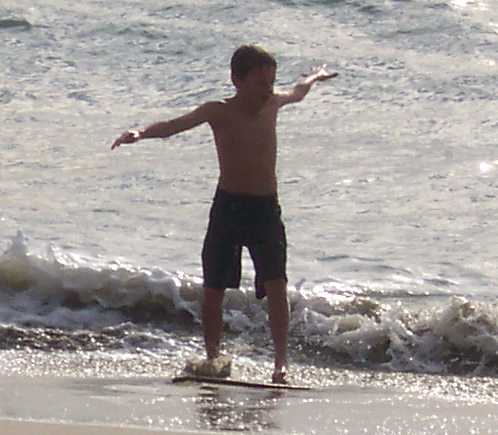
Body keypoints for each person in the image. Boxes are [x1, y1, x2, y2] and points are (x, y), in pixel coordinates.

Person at [111, 45, 337, 384]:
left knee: (276, 285)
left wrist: (313, 78)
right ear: (237, 80)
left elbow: (298, 93)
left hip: (264, 209)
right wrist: (141, 133)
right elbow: (177, 125)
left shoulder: (273, 103)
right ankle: (214, 358)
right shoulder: (217, 111)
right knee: (214, 288)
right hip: (228, 207)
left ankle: (280, 364)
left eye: (271, 82)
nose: (267, 90)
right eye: (260, 83)